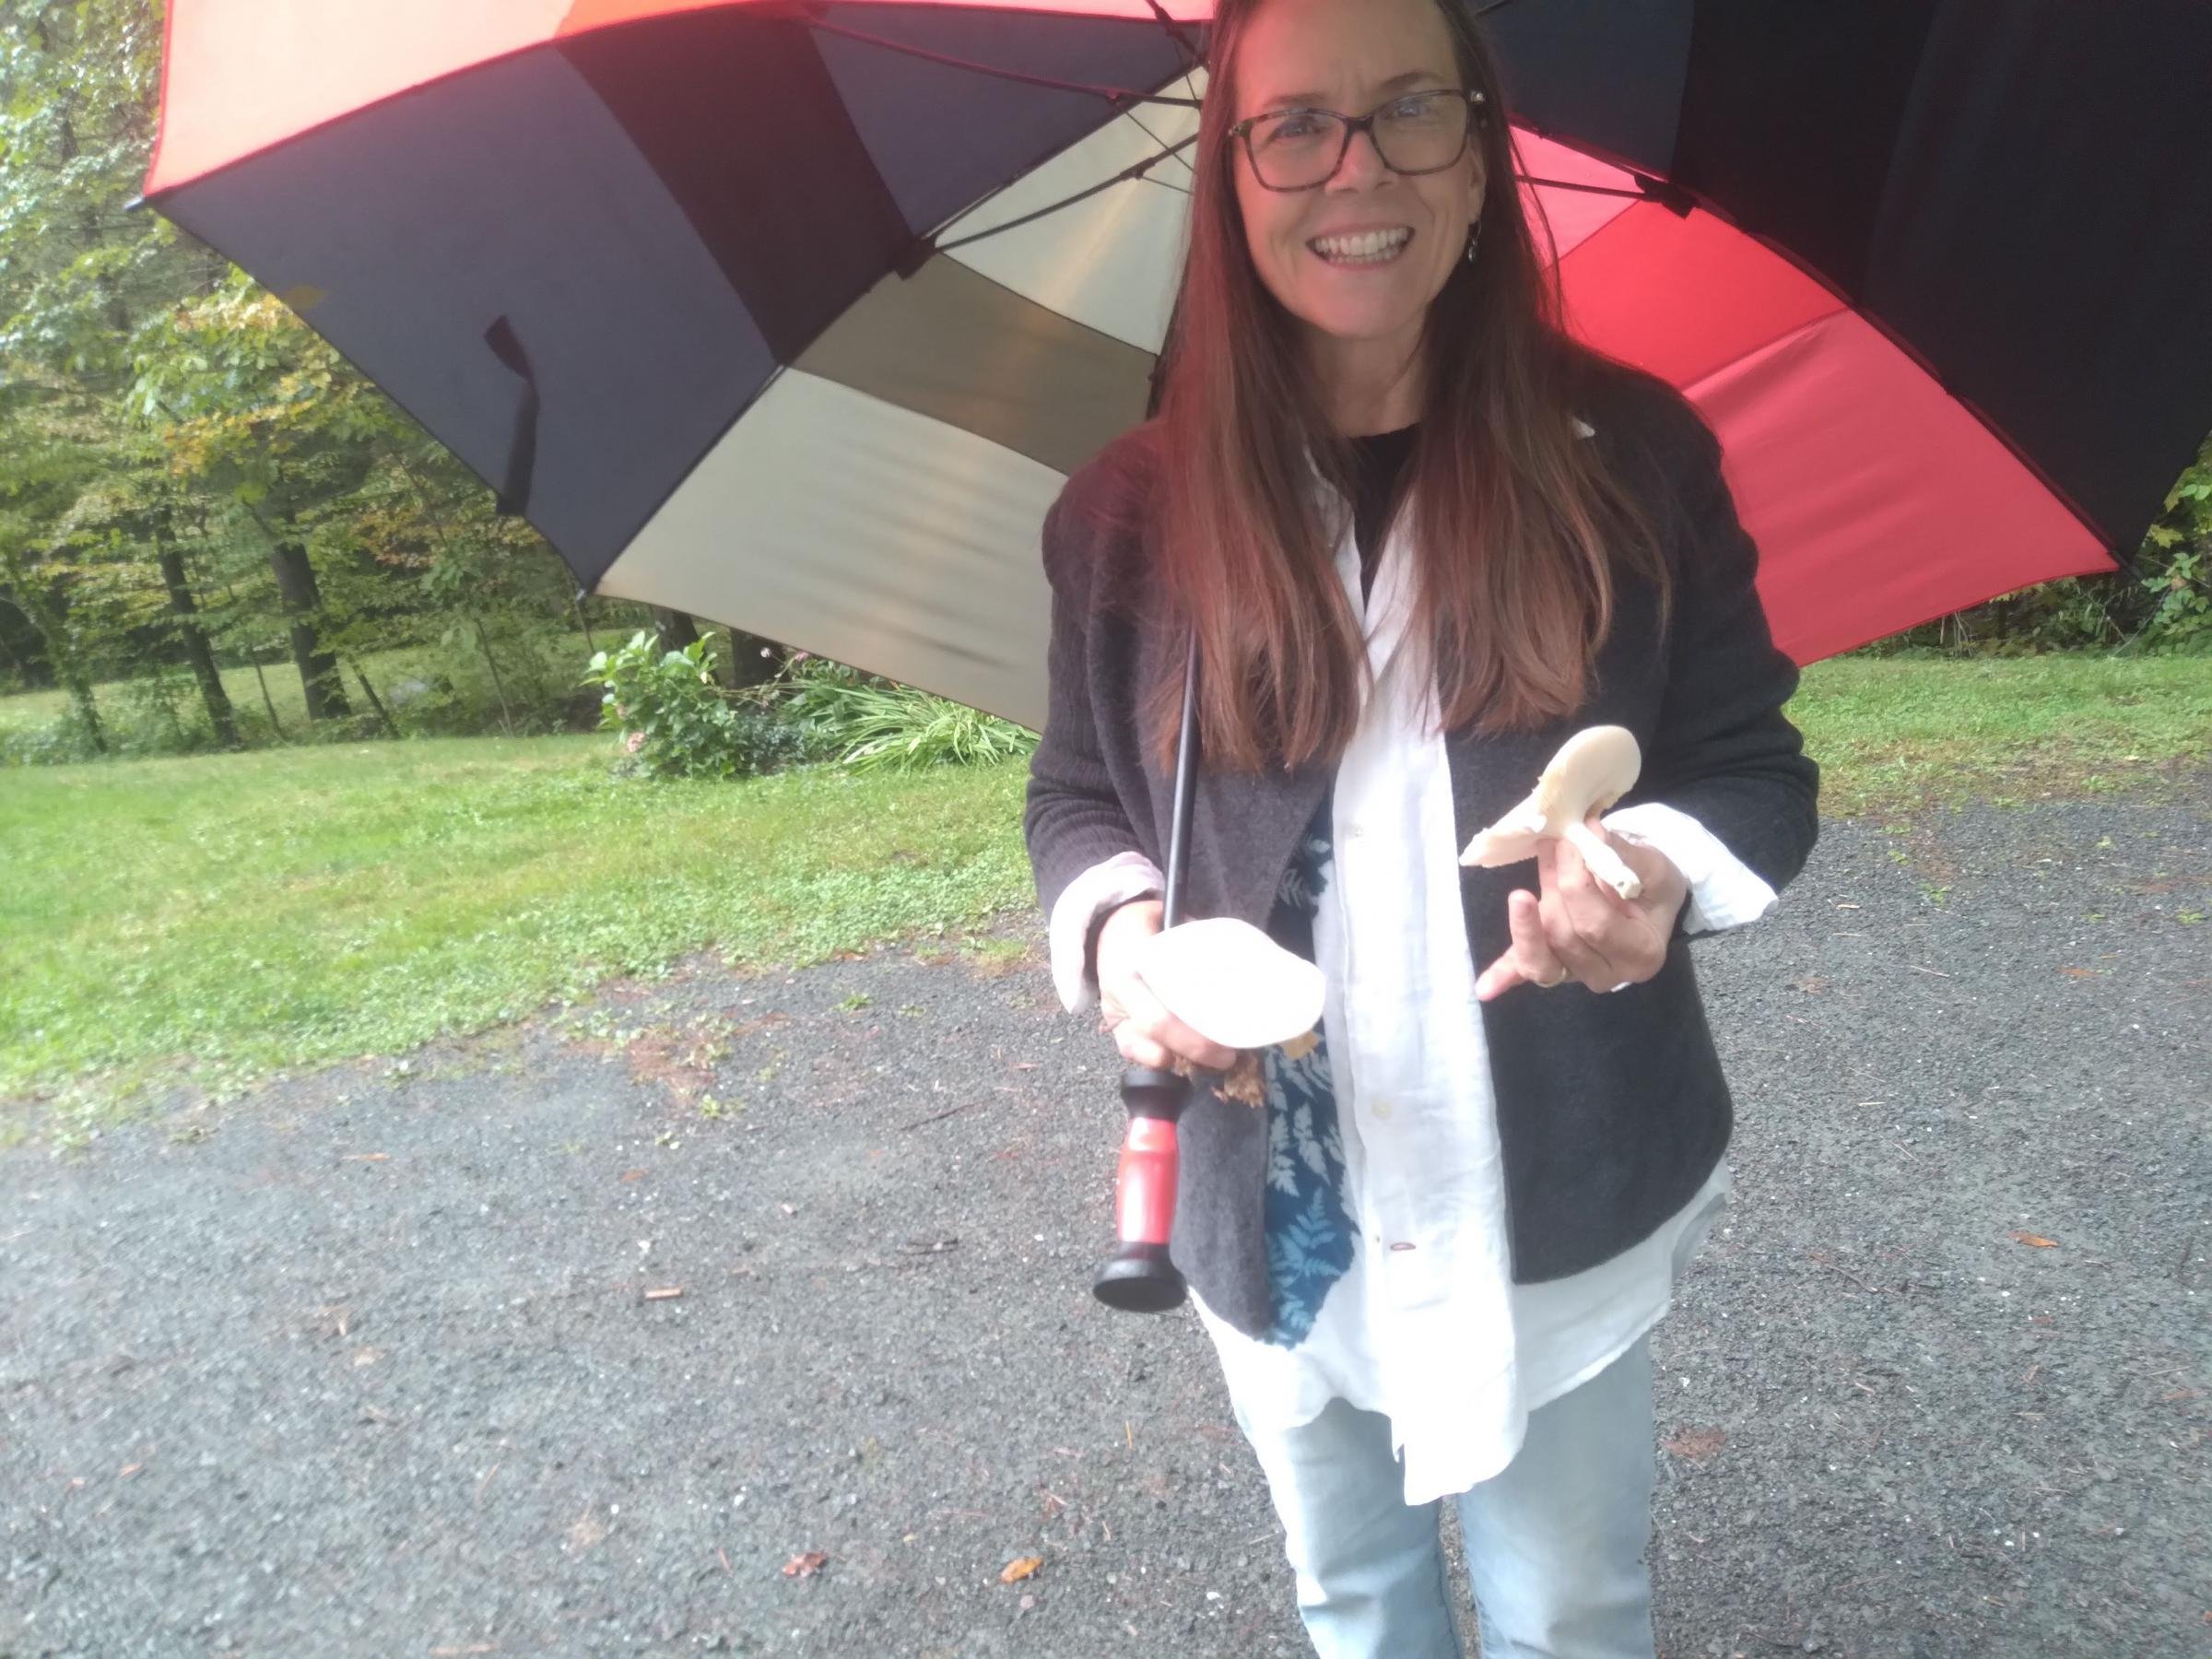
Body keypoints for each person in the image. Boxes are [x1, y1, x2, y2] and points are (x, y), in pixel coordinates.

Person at [1022, 0, 1819, 1653]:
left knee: (1573, 1606)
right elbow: (1079, 795)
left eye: (1410, 113)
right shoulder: (1131, 512)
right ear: (1234, 186)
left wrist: (1655, 873)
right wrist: (1121, 936)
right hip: (1267, 1189)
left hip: (1558, 1170)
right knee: (1354, 1595)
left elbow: (1752, 765)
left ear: (1480, 159)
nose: (1353, 168)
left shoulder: (1634, 460)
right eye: (1294, 126)